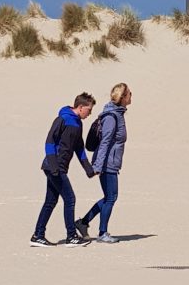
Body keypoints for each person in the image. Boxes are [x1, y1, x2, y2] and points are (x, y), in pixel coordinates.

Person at [30, 92, 96, 247]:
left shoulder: (78, 124)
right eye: (89, 110)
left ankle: (38, 236)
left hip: (59, 168)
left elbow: (79, 148)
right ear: (80, 107)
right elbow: (49, 141)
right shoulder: (63, 119)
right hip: (54, 166)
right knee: (70, 199)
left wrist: (89, 169)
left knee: (50, 201)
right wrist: (53, 165)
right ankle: (71, 236)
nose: (90, 113)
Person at [75, 83, 132, 244]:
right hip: (107, 163)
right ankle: (102, 233)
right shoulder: (111, 117)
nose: (131, 96)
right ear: (122, 97)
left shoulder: (117, 114)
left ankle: (83, 222)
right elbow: (105, 142)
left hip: (111, 162)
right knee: (111, 197)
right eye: (129, 94)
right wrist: (98, 166)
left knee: (109, 197)